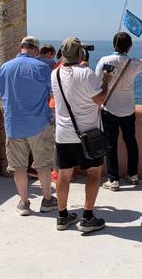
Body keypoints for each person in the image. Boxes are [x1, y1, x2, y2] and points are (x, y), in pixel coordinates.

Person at [96, 32, 142, 191]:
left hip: (109, 109)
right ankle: (133, 175)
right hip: (128, 110)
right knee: (130, 142)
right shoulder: (134, 63)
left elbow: (96, 84)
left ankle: (113, 180)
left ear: (113, 45)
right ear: (129, 47)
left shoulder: (104, 61)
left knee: (111, 145)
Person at [51, 37, 113, 233]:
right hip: (88, 135)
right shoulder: (86, 73)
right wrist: (106, 81)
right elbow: (100, 99)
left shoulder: (56, 73)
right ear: (81, 54)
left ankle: (62, 216)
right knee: (94, 173)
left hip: (63, 134)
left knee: (64, 175)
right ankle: (87, 218)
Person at [0, 36, 57, 216]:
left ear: (21, 47)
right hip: (39, 124)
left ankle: (24, 203)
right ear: (36, 50)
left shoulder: (4, 67)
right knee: (43, 164)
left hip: (13, 125)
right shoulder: (43, 67)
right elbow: (53, 94)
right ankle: (47, 200)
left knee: (19, 167)